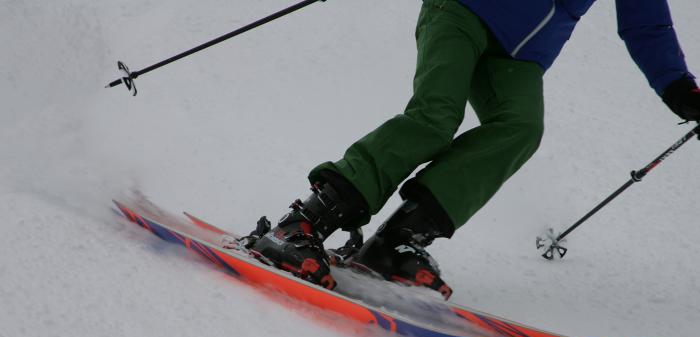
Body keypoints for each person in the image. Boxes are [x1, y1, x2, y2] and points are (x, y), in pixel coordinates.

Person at [247, 0, 700, 299]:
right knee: (435, 116)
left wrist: (681, 90)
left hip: (521, 55)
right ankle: (303, 222)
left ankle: (396, 243)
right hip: (462, 9)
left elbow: (647, 24)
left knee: (520, 128)